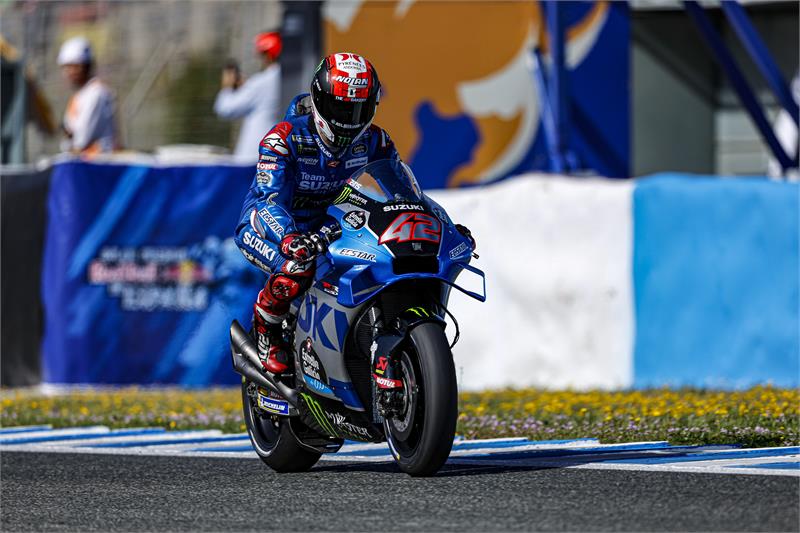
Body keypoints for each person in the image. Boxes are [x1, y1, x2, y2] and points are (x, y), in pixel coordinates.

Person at [235, 52, 474, 375]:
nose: (348, 119)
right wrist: (289, 238)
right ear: (320, 100)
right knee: (297, 267)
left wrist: (439, 225)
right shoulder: (283, 139)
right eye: (340, 108)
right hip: (269, 226)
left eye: (358, 110)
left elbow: (404, 194)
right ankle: (267, 330)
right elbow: (268, 200)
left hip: (332, 225)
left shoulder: (376, 141)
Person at [214, 31, 282, 162]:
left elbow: (225, 109)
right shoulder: (293, 78)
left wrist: (228, 86)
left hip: (253, 158)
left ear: (268, 55)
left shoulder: (261, 83)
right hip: (278, 155)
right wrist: (247, 86)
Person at [58, 36, 118, 155]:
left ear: (87, 66)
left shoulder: (97, 93)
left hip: (98, 165)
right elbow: (67, 142)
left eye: (75, 67)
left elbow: (81, 140)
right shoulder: (79, 97)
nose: (70, 73)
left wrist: (70, 139)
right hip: (83, 164)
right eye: (67, 67)